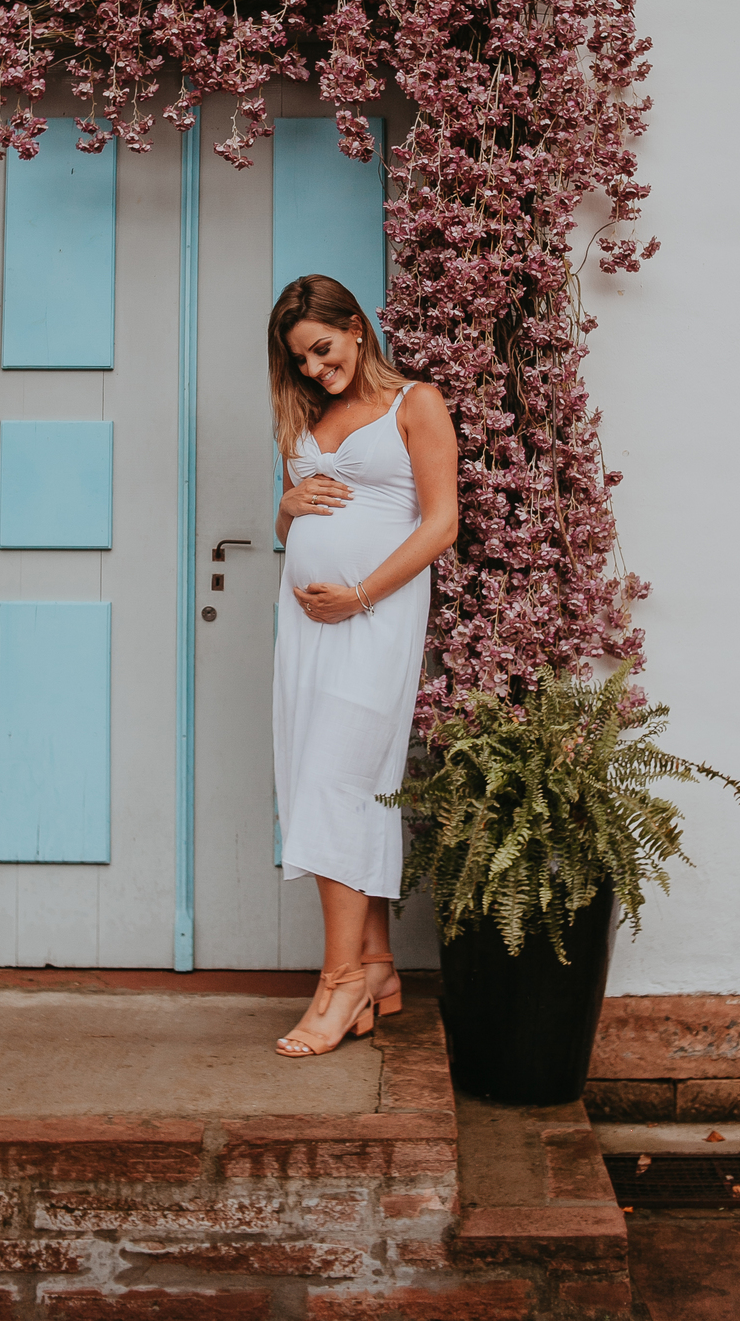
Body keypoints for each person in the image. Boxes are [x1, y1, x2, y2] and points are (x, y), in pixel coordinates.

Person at [268, 273, 459, 1058]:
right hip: (305, 628)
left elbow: (442, 523)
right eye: (301, 361)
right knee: (320, 782)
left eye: (322, 349)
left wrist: (359, 594)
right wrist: (284, 510)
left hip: (371, 619)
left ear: (355, 327)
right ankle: (378, 970)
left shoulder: (416, 403)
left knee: (333, 787)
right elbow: (289, 535)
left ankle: (339, 983)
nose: (315, 370)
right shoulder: (308, 416)